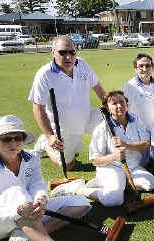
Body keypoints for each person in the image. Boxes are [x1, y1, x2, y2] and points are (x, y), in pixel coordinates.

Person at [0, 115, 90, 241]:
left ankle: (27, 237)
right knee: (16, 191)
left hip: (30, 213)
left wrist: (41, 198)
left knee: (82, 203)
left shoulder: (32, 157)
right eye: (7, 139)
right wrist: (18, 210)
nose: (14, 142)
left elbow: (37, 184)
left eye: (18, 137)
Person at [51, 91, 154, 207]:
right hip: (112, 168)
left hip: (133, 167)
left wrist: (126, 145)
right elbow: (95, 160)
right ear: (107, 107)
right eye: (114, 103)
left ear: (127, 104)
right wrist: (114, 156)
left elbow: (146, 144)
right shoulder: (102, 129)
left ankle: (113, 184)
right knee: (114, 200)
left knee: (150, 184)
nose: (119, 106)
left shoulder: (136, 120)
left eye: (122, 102)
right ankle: (78, 188)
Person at [29, 35, 106, 171]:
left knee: (111, 119)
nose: (68, 57)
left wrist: (113, 108)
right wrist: (50, 136)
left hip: (86, 117)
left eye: (72, 52)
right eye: (62, 53)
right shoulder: (44, 75)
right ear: (53, 52)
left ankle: (109, 157)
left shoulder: (83, 64)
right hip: (63, 127)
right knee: (69, 166)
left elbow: (98, 89)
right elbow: (37, 109)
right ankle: (45, 144)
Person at [123, 53, 154, 130]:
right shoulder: (129, 86)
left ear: (152, 67)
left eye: (147, 65)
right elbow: (125, 111)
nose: (144, 69)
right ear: (135, 69)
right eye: (141, 66)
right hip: (139, 131)